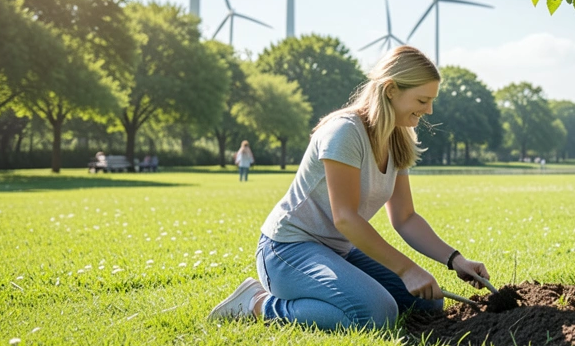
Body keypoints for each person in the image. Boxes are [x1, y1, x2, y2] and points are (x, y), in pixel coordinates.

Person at [209, 46, 490, 329]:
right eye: (422, 99)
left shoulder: (398, 138)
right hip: (287, 249)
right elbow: (345, 217)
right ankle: (257, 303)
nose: (429, 109)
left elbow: (405, 217)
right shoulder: (345, 131)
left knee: (426, 302)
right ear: (391, 90)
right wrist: (407, 269)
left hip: (337, 250)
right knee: (375, 314)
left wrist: (455, 260)